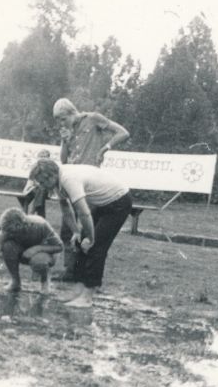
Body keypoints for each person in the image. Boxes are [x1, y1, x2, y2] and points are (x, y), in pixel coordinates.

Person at [28, 158, 132, 308]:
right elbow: (66, 209)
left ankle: (87, 296)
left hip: (119, 201)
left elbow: (83, 212)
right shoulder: (58, 178)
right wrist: (76, 232)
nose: (42, 186)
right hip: (103, 203)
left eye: (43, 182)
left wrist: (90, 237)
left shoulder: (69, 179)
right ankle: (78, 290)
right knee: (80, 243)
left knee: (95, 247)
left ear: (50, 176)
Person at [53, 98, 130, 281]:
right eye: (58, 120)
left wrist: (105, 147)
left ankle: (86, 274)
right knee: (68, 228)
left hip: (89, 184)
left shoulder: (94, 118)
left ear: (72, 112)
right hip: (72, 181)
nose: (61, 123)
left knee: (90, 229)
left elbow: (123, 133)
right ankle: (70, 271)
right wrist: (64, 141)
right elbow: (64, 161)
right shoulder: (67, 129)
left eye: (63, 119)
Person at [0, 208, 62, 297]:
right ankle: (15, 281)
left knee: (39, 260)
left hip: (45, 253)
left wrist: (36, 249)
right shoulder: (6, 231)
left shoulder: (40, 224)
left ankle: (44, 281)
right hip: (23, 251)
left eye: (12, 233)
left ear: (21, 226)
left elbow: (59, 246)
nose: (9, 235)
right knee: (7, 246)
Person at [17, 149, 52, 218]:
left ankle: (31, 213)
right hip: (35, 189)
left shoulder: (50, 168)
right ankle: (40, 215)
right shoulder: (35, 166)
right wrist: (26, 190)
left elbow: (51, 182)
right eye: (41, 156)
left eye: (45, 157)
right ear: (38, 158)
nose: (43, 158)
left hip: (46, 190)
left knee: (41, 189)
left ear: (49, 158)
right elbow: (31, 180)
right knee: (31, 195)